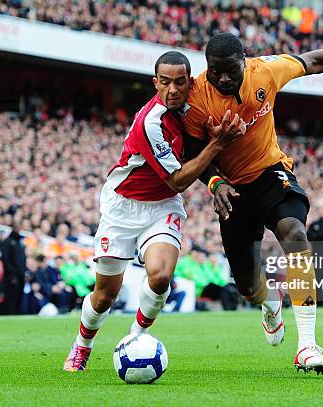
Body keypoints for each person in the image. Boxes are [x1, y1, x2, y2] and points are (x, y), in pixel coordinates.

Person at [182, 33, 323, 374]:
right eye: (215, 72)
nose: (223, 79)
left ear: (244, 62)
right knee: (246, 285)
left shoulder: (265, 72)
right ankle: (271, 301)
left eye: (230, 71)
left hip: (271, 172)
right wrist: (215, 182)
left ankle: (307, 345)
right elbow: (194, 152)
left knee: (295, 234)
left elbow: (314, 60)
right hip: (230, 189)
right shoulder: (195, 98)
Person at [63, 51, 245, 372]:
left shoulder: (193, 110)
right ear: (155, 83)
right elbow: (177, 180)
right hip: (123, 206)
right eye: (165, 82)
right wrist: (217, 145)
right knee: (105, 295)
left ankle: (136, 338)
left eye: (179, 82)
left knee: (161, 276)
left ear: (190, 83)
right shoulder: (151, 121)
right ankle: (83, 345)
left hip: (162, 206)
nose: (172, 89)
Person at [0, 224, 27, 315]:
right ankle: (9, 313)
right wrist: (11, 272)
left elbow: (23, 259)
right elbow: (5, 259)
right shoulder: (8, 242)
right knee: (11, 296)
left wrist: (24, 271)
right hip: (11, 275)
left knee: (19, 295)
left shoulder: (20, 242)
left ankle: (17, 313)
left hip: (21, 275)